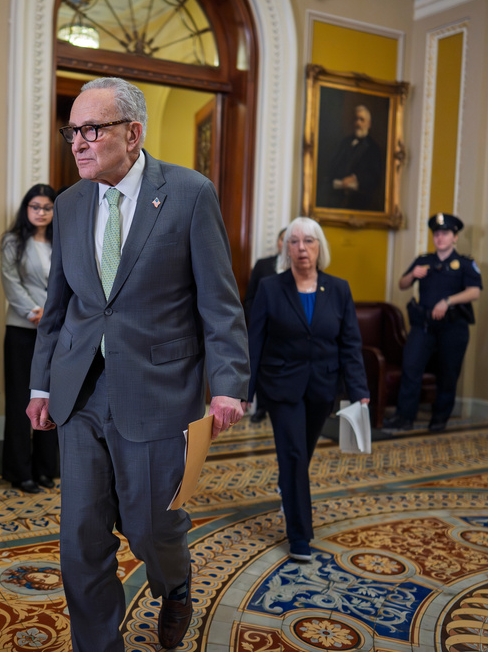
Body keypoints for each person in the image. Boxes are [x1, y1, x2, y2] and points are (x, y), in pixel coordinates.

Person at [26, 77, 249, 651]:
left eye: (92, 129)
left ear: (134, 132)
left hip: (159, 392)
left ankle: (174, 586)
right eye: (72, 130)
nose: (77, 142)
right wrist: (42, 387)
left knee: (153, 528)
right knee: (80, 538)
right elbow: (59, 308)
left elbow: (218, 302)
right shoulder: (71, 203)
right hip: (79, 393)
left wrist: (228, 384)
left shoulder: (189, 192)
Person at [246, 217, 370, 561]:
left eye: (309, 241)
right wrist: (245, 392)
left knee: (302, 453)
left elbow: (350, 343)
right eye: (295, 242)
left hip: (321, 388)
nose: (302, 248)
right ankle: (300, 535)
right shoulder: (271, 287)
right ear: (287, 249)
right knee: (295, 456)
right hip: (281, 386)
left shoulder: (339, 288)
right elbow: (254, 342)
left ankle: (289, 490)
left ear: (320, 248)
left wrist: (359, 390)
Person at [384, 213, 481, 432]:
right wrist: (412, 275)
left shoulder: (465, 263)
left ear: (455, 237)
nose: (440, 238)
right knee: (411, 368)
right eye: (436, 234)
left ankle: (439, 419)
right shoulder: (424, 260)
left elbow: (474, 292)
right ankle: (404, 417)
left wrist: (448, 301)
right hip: (424, 325)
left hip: (453, 327)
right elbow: (402, 284)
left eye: (445, 234)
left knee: (448, 373)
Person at [0, 183, 59, 494]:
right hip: (23, 329)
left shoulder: (61, 241)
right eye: (35, 207)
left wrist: (54, 316)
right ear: (26, 209)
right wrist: (34, 312)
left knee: (53, 399)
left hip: (57, 332)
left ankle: (46, 468)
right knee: (21, 401)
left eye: (47, 208)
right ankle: (19, 471)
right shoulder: (12, 242)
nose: (41, 212)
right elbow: (10, 282)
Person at [243, 226, 286, 423]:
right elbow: (250, 296)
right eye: (282, 239)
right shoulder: (263, 264)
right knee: (259, 364)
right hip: (263, 325)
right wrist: (254, 319)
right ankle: (260, 407)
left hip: (285, 328)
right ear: (277, 242)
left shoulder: (298, 268)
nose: (285, 244)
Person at [319, 104, 384, 211]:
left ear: (369, 124)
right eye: (356, 119)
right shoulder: (345, 142)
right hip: (338, 196)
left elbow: (375, 176)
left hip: (360, 199)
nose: (358, 123)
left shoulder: (373, 148)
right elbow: (334, 165)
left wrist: (355, 178)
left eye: (362, 120)